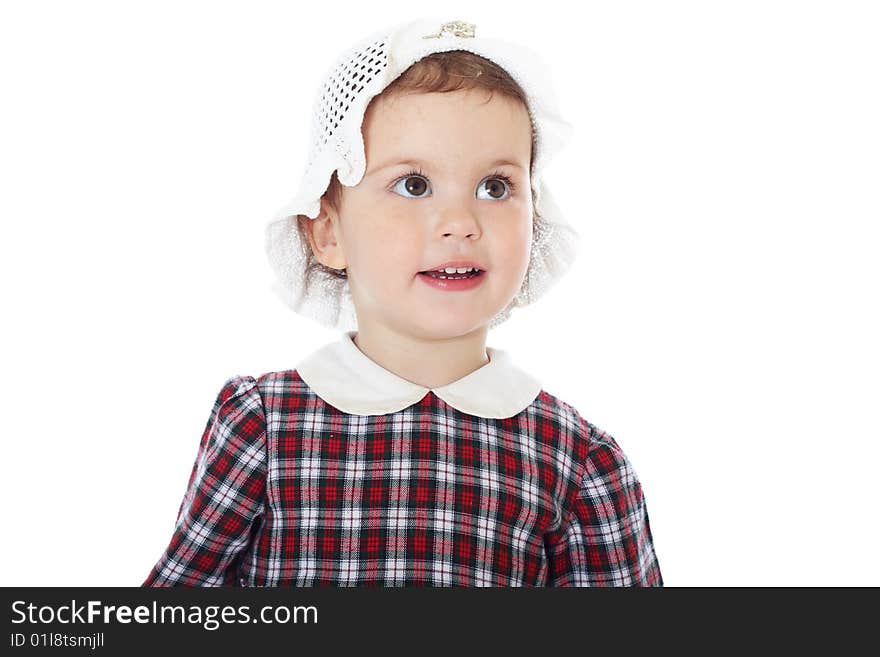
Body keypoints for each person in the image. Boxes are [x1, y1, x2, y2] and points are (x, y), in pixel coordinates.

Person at [143, 16, 663, 587]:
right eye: (414, 185)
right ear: (328, 232)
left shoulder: (576, 461)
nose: (460, 223)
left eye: (495, 187)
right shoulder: (263, 426)